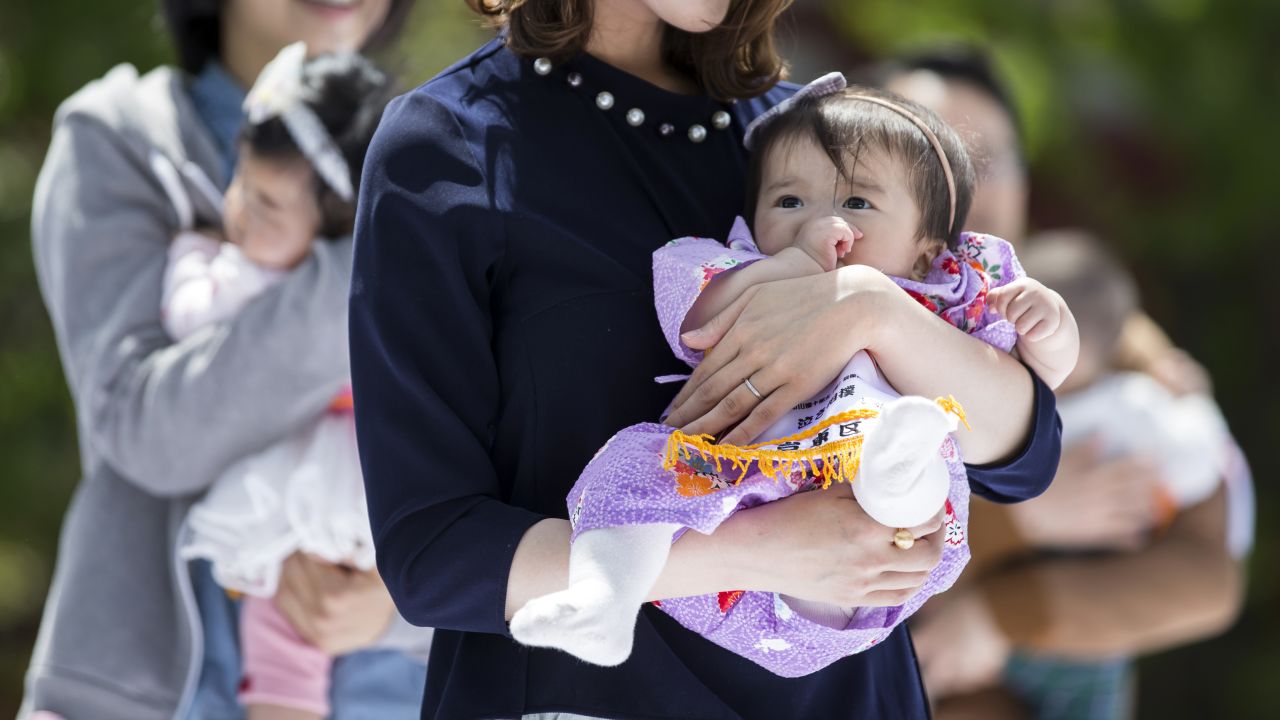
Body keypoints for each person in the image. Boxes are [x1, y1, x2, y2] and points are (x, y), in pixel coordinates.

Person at [348, 2, 1063, 718]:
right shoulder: (448, 143)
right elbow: (432, 553)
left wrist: (868, 305)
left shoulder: (817, 143)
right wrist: (756, 551)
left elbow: (1020, 454)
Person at [509, 76, 1078, 675]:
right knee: (629, 468)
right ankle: (601, 600)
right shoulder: (740, 266)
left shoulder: (945, 297)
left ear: (925, 247)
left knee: (914, 469)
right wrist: (793, 267)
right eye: (788, 202)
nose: (823, 219)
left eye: (857, 203)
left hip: (869, 516)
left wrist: (1051, 332)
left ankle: (896, 466)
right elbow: (699, 318)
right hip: (733, 477)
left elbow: (1026, 392)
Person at [22, 2, 430, 719]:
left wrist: (406, 602)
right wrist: (371, 260)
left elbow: (502, 452)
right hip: (151, 697)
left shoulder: (447, 151)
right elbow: (148, 431)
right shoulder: (124, 135)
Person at [874, 49, 1248, 719]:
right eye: (928, 154)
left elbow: (1208, 582)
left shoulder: (1097, 330)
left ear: (1023, 181)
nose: (961, 184)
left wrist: (996, 613)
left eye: (986, 160)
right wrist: (1023, 521)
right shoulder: (842, 323)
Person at [156, 43, 399, 720]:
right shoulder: (392, 278)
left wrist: (191, 252)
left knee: (281, 623)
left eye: (263, 205)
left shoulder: (252, 284)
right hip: (381, 474)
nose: (236, 211)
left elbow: (188, 315)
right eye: (239, 184)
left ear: (331, 224)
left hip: (313, 468)